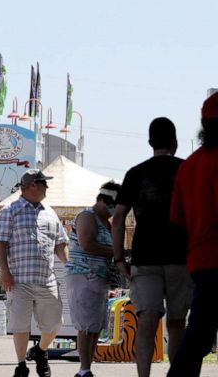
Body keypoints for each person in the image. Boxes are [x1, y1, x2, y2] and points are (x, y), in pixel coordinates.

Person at [112, 117, 190, 377]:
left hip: (145, 257)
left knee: (146, 320)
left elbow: (119, 217)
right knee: (178, 322)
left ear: (149, 142)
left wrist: (119, 258)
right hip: (182, 257)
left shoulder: (135, 173)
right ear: (175, 142)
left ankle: (143, 375)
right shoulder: (188, 170)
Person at [0, 169, 69, 377]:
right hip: (18, 280)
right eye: (44, 183)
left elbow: (61, 244)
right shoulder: (10, 211)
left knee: (55, 323)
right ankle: (21, 365)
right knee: (20, 325)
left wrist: (69, 264)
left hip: (47, 279)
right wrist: (5, 272)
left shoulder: (50, 212)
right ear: (33, 185)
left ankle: (40, 351)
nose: (47, 187)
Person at [167, 94, 218, 377]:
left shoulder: (190, 165)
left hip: (200, 262)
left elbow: (177, 218)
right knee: (198, 335)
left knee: (198, 335)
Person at [66, 182, 120, 377]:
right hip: (84, 275)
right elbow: (87, 243)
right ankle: (84, 369)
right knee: (86, 325)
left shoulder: (107, 223)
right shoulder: (87, 216)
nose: (114, 210)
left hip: (100, 278)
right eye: (113, 204)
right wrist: (116, 251)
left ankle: (87, 367)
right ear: (102, 201)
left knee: (95, 325)